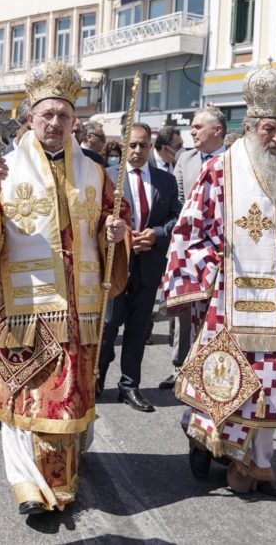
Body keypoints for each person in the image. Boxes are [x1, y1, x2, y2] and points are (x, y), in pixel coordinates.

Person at [0, 60, 129, 514]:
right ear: (29, 118)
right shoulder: (2, 168)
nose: (54, 123)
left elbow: (115, 220)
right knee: (20, 392)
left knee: (64, 399)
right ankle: (26, 486)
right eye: (46, 114)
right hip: (20, 306)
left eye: (63, 116)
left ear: (75, 122)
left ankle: (60, 482)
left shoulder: (95, 173)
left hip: (76, 308)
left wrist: (116, 232)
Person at [162, 65, 276, 498]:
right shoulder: (219, 170)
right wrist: (212, 271)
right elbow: (189, 232)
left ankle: (259, 465)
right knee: (224, 381)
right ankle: (202, 436)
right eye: (267, 129)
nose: (275, 138)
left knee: (273, 384)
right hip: (229, 299)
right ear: (248, 127)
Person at [98, 123, 180, 412]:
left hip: (148, 267)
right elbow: (96, 217)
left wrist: (156, 234)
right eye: (131, 145)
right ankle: (97, 379)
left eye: (142, 145)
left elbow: (176, 218)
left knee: (137, 329)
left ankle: (129, 385)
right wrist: (115, 234)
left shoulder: (165, 181)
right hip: (114, 268)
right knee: (107, 326)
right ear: (122, 145)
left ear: (150, 147)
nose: (137, 150)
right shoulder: (106, 178)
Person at [159, 106, 227, 390]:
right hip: (188, 247)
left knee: (216, 313)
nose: (193, 131)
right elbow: (180, 201)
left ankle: (213, 369)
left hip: (221, 249)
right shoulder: (185, 159)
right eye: (193, 127)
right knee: (183, 307)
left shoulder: (232, 161)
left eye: (199, 126)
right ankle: (180, 366)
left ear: (217, 130)